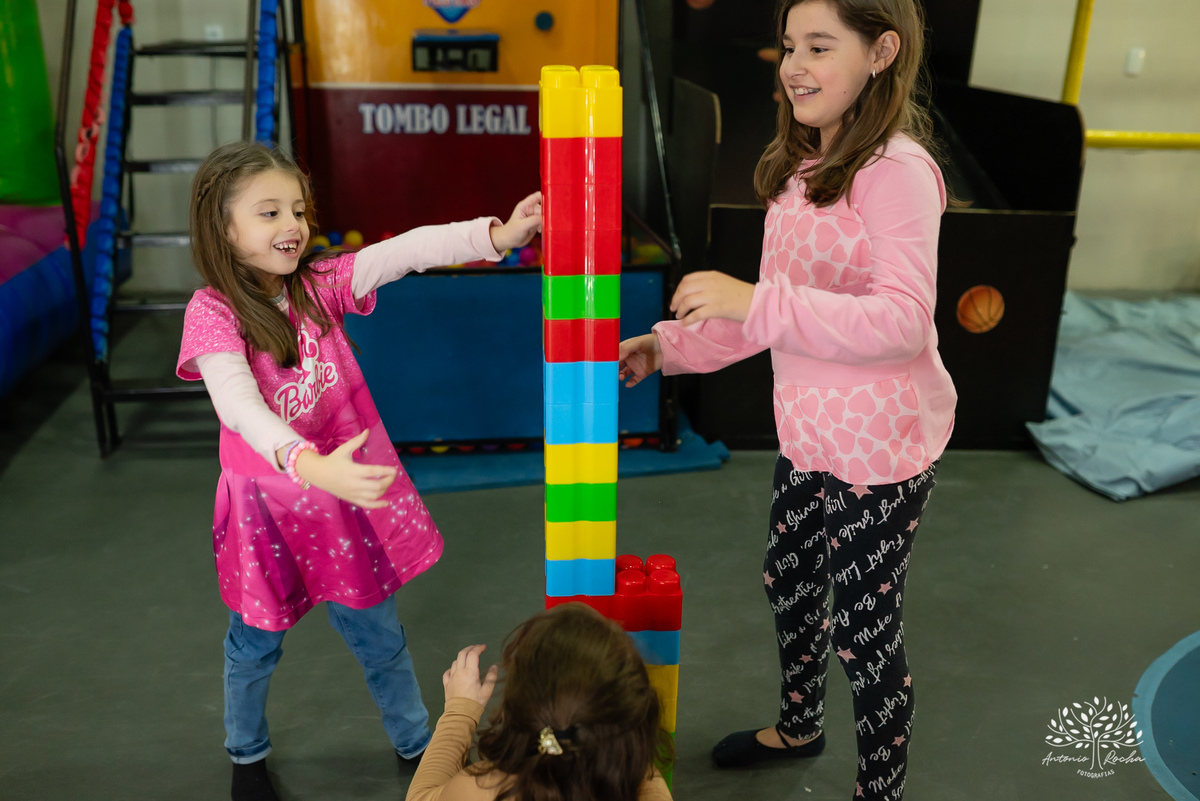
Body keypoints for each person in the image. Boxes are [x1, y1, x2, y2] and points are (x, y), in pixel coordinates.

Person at [619, 1, 955, 798]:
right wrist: (667, 347)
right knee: (790, 577)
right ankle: (800, 722)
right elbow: (766, 315)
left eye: (818, 47)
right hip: (809, 435)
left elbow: (903, 323)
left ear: (881, 52)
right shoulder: (800, 171)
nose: (794, 65)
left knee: (867, 633)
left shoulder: (897, 173)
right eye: (788, 47)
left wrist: (753, 302)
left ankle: (880, 789)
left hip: (879, 448)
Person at [176, 140, 542, 801]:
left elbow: (402, 252)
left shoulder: (318, 286)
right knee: (254, 645)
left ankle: (415, 742)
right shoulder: (213, 314)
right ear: (223, 230)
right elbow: (238, 406)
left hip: (343, 504)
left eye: (297, 208)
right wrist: (309, 462)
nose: (292, 225)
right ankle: (246, 753)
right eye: (268, 213)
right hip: (270, 518)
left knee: (380, 635)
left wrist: (497, 234)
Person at [405, 602, 673, 801]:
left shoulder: (485, 789)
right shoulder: (647, 788)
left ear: (519, 709)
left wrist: (460, 712)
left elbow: (420, 797)